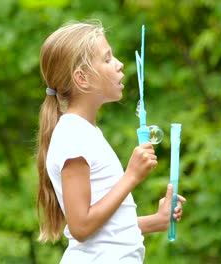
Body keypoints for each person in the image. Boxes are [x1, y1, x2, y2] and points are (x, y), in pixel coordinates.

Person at [35, 20, 186, 263]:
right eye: (107, 59)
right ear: (82, 78)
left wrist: (155, 221)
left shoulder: (85, 132)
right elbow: (81, 227)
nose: (119, 64)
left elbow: (106, 230)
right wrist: (131, 176)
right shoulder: (73, 136)